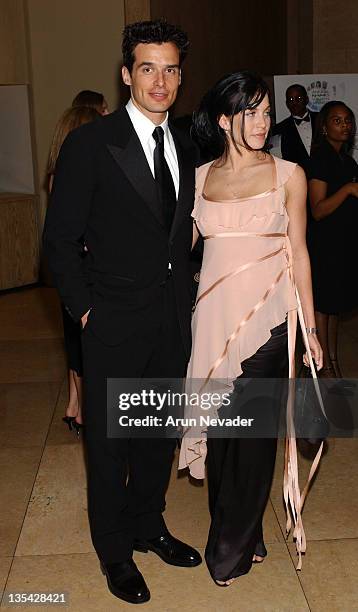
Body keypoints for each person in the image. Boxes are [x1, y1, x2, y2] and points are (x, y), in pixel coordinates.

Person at [43, 19, 201, 605]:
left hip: (169, 321)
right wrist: (86, 313)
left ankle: (148, 525)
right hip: (110, 322)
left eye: (170, 69)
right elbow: (58, 240)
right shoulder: (93, 143)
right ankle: (113, 551)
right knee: (109, 442)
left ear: (180, 77)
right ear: (127, 73)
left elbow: (179, 233)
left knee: (157, 435)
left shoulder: (185, 143)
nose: (159, 81)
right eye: (147, 68)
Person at [179, 71, 323, 586]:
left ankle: (228, 550)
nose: (263, 122)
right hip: (213, 325)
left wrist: (310, 326)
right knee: (221, 438)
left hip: (271, 321)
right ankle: (244, 529)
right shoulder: (196, 180)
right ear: (223, 119)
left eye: (266, 112)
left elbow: (301, 253)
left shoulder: (289, 175)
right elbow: (174, 254)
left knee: (254, 439)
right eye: (251, 112)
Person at [47, 105, 101, 434]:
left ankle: (74, 406)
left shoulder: (58, 172)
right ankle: (84, 412)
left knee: (74, 341)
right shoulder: (77, 171)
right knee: (82, 343)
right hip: (80, 268)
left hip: (70, 269)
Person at [308, 101, 358, 377]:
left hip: (343, 244)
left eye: (348, 120)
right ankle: (323, 365)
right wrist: (349, 189)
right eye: (337, 121)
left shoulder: (347, 160)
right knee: (323, 306)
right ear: (324, 127)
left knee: (335, 306)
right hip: (324, 245)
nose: (345, 126)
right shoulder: (320, 158)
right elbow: (318, 210)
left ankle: (334, 361)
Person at [273, 84, 318, 176]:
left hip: (325, 177)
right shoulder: (279, 129)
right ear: (286, 104)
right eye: (291, 100)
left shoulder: (321, 119)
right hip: (296, 177)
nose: (295, 103)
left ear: (306, 99)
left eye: (299, 98)